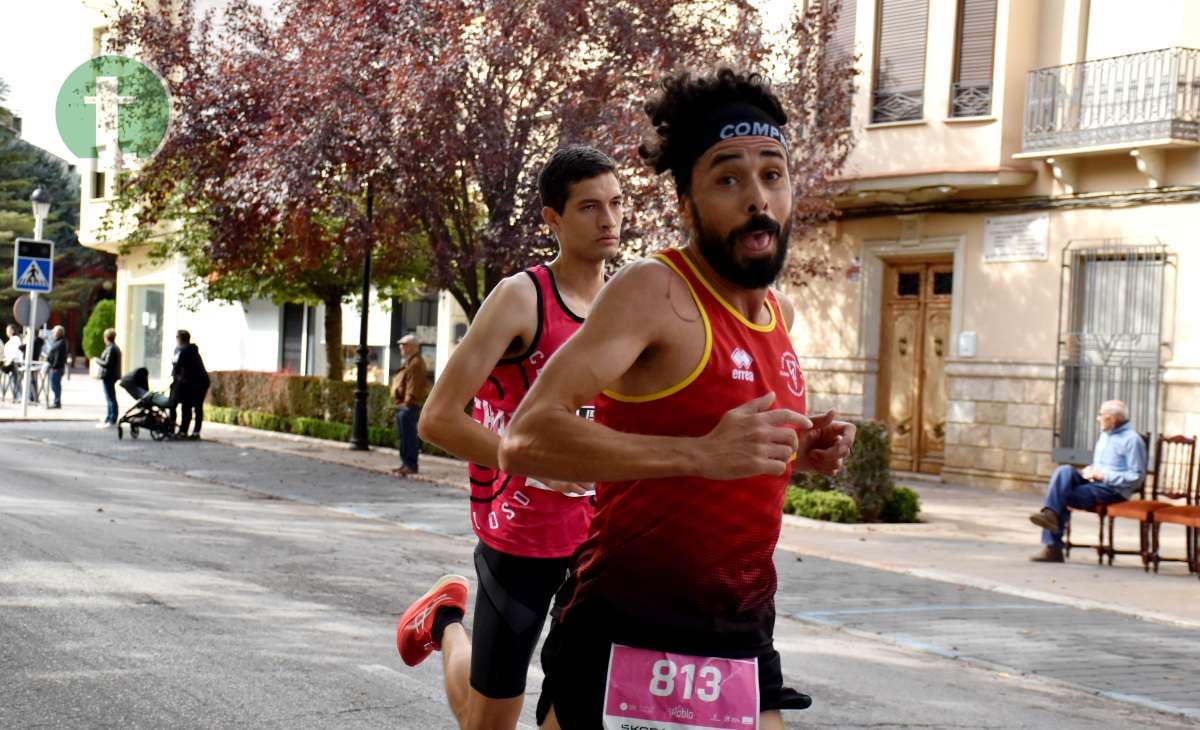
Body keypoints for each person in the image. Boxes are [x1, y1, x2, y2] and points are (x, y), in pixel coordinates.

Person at [498, 69, 857, 730]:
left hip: (741, 626)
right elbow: (529, 436)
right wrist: (700, 453)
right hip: (624, 623)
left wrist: (797, 454)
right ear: (686, 202)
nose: (757, 199)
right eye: (728, 178)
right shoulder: (654, 290)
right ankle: (446, 624)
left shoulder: (778, 312)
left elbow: (722, 451)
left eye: (772, 175)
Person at [395, 145, 623, 729]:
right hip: (521, 533)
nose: (609, 220)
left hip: (605, 539)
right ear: (552, 219)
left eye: (617, 204)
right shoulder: (522, 298)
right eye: (590, 207)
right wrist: (531, 461)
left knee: (584, 709)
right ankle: (444, 624)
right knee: (487, 722)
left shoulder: (630, 305)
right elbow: (437, 418)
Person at [1028, 399, 1146, 562]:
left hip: (1112, 490)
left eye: (1101, 415)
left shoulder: (1132, 440)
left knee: (1061, 495)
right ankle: (1051, 515)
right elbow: (1100, 465)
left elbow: (1136, 477)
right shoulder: (1105, 436)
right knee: (1064, 471)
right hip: (1094, 482)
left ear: (1112, 418)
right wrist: (1089, 471)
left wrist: (1103, 475)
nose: (1098, 419)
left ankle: (1052, 546)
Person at [391, 334, 430, 476]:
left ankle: (410, 465)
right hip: (404, 404)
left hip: (408, 405)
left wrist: (407, 403)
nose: (401, 347)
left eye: (404, 344)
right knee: (404, 436)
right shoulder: (410, 362)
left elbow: (413, 386)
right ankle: (404, 464)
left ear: (413, 347)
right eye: (401, 344)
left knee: (409, 436)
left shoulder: (416, 363)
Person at [170, 330, 210, 440]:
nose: (176, 339)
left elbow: (178, 367)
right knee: (190, 406)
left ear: (180, 339)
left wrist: (176, 379)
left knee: (191, 406)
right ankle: (188, 431)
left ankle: (188, 432)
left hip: (197, 383)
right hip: (195, 382)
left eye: (177, 337)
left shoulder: (186, 351)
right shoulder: (189, 350)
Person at [95, 328, 122, 427]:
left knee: (110, 398)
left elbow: (107, 363)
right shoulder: (112, 347)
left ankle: (112, 418)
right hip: (110, 376)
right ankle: (109, 417)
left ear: (106, 337)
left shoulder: (111, 348)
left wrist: (97, 360)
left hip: (109, 376)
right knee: (110, 397)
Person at [44, 325, 67, 409]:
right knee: (54, 385)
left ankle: (57, 403)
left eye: (54, 332)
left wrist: (53, 366)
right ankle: (56, 402)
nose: (52, 333)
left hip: (56, 368)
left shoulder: (60, 343)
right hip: (55, 368)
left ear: (58, 333)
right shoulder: (58, 341)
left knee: (55, 386)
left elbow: (58, 357)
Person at [2, 324, 22, 401]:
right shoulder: (12, 340)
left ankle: (18, 396)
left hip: (14, 363)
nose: (7, 332)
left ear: (13, 330)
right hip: (10, 362)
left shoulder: (16, 339)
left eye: (8, 330)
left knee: (15, 380)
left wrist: (9, 361)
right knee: (13, 380)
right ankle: (16, 396)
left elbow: (15, 352)